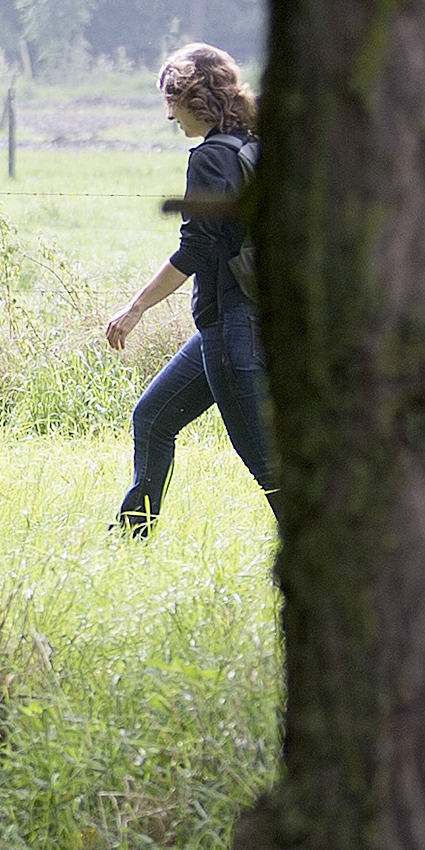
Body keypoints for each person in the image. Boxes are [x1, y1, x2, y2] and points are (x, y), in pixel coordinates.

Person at [98, 41, 274, 532]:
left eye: (170, 103)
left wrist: (135, 308)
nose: (169, 117)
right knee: (152, 418)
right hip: (236, 324)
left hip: (232, 330)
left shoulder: (211, 159)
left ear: (192, 99)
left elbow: (195, 250)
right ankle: (131, 538)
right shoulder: (254, 147)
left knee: (268, 466)